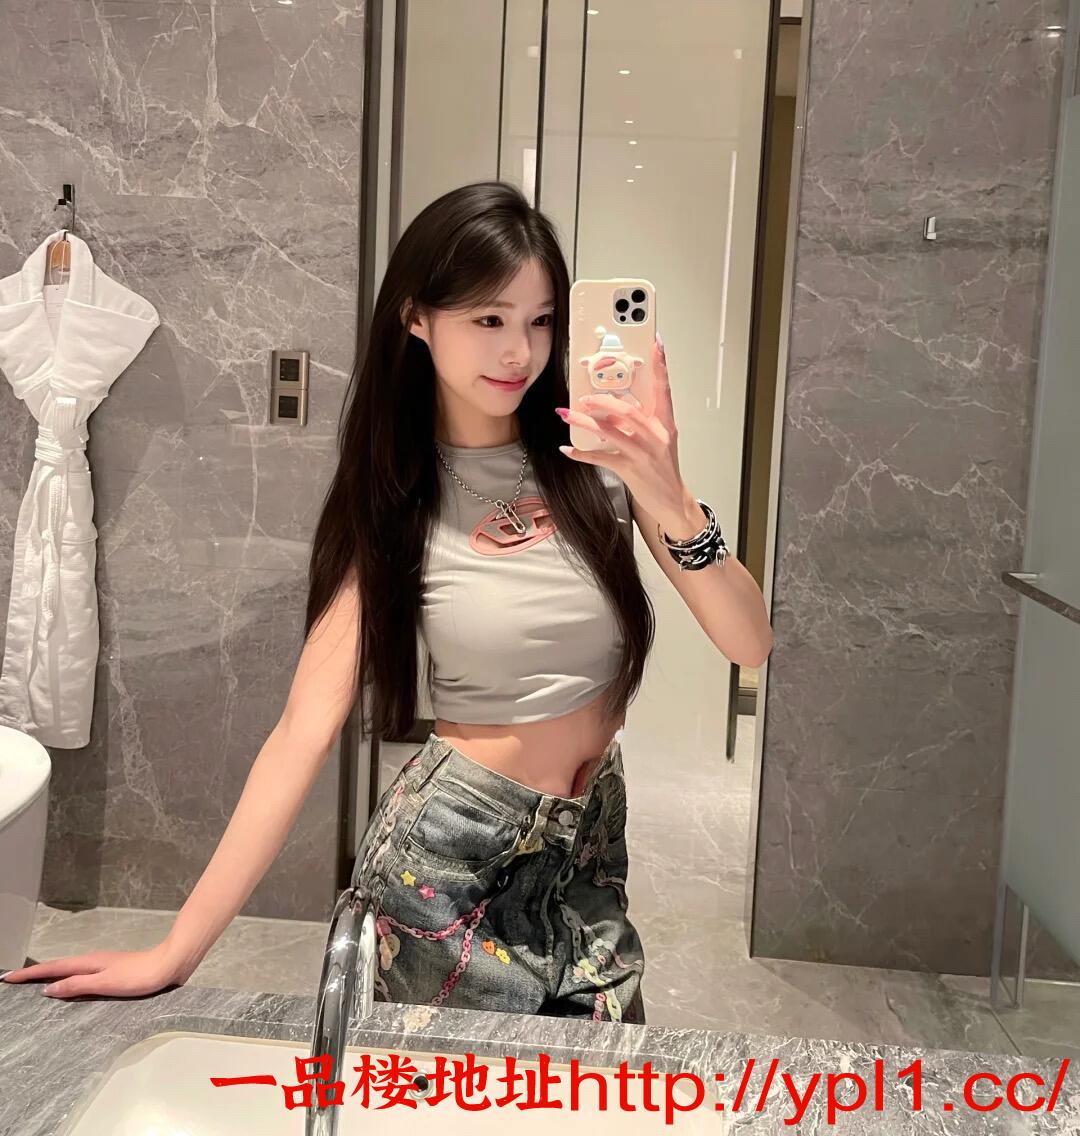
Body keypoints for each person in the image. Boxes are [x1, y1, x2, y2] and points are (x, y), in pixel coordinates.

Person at [2, 182, 772, 1016]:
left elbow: (750, 643)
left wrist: (669, 495)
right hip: (450, 862)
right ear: (416, 318)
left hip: (585, 861)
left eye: (541, 320)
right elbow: (303, 731)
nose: (519, 350)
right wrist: (174, 951)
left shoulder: (597, 465)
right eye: (488, 318)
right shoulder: (395, 501)